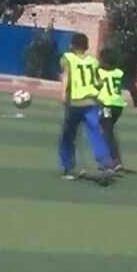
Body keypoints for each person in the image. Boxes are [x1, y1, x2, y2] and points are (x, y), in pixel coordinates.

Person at [58, 33, 115, 181]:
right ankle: (106, 164)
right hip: (91, 103)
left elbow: (66, 76)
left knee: (68, 136)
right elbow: (99, 82)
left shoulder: (67, 58)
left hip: (75, 103)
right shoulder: (93, 61)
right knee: (96, 133)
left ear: (72, 45)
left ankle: (68, 167)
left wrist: (63, 94)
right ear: (87, 46)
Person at [98, 47, 137, 172]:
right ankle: (113, 160)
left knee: (106, 132)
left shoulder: (99, 72)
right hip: (118, 107)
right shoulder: (119, 72)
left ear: (104, 60)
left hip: (106, 106)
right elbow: (132, 88)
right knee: (107, 131)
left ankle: (114, 162)